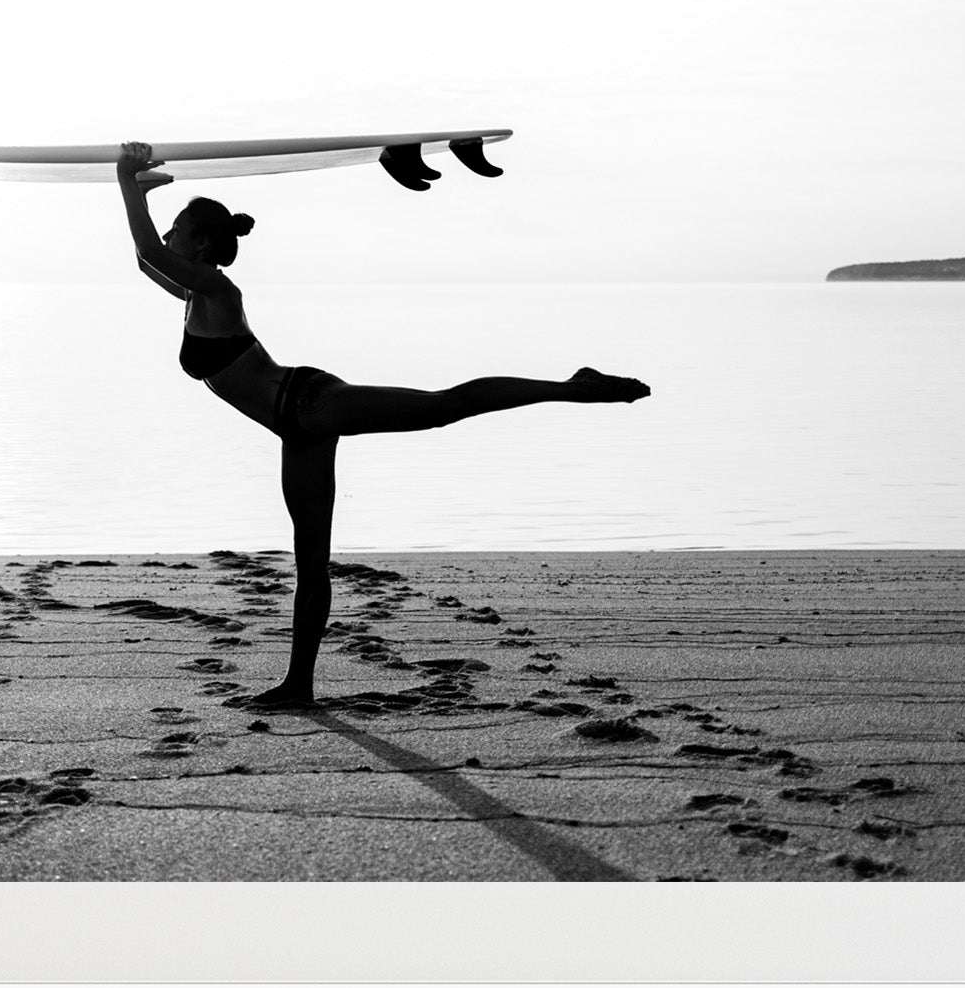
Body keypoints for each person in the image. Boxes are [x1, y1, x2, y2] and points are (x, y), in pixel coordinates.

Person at [115, 142, 648, 709]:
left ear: (199, 243)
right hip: (296, 430)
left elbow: (150, 248)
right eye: (170, 227)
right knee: (310, 557)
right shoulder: (196, 292)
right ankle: (299, 685)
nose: (168, 236)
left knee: (442, 407)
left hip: (311, 404)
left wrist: (127, 180)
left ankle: (572, 386)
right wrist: (140, 192)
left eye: (178, 228)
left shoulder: (219, 291)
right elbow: (147, 258)